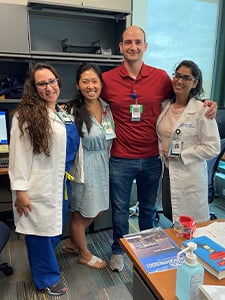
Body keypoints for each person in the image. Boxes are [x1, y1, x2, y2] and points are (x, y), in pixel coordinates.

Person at [100, 25, 218, 272]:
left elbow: (182, 98)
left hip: (153, 158)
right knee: (120, 209)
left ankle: (147, 249)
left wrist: (207, 102)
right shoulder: (107, 80)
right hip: (120, 158)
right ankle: (118, 250)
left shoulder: (161, 77)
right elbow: (91, 101)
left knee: (148, 209)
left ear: (145, 46)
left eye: (138, 42)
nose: (133, 47)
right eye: (128, 42)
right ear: (121, 47)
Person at [8, 63, 80, 296]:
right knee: (39, 233)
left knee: (52, 230)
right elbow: (18, 156)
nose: (49, 87)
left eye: (52, 81)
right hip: (36, 187)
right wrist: (20, 191)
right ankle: (45, 278)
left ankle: (44, 267)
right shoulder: (25, 116)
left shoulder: (60, 111)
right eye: (42, 83)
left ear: (58, 82)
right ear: (33, 87)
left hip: (59, 184)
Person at [63, 62, 116, 269]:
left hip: (103, 164)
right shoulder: (72, 110)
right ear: (78, 85)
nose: (90, 86)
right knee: (81, 213)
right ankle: (84, 253)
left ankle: (72, 242)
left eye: (94, 81)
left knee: (100, 208)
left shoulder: (106, 107)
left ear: (101, 84)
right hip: (83, 166)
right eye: (85, 81)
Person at [156, 60, 220, 223]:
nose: (179, 81)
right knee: (171, 212)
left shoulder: (203, 110)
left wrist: (181, 155)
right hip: (167, 171)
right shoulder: (165, 106)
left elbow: (213, 147)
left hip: (190, 173)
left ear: (195, 83)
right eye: (177, 76)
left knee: (190, 221)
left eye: (186, 78)